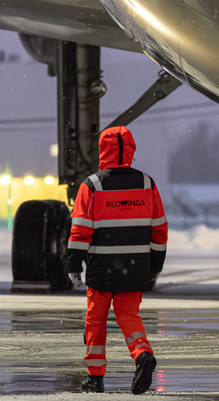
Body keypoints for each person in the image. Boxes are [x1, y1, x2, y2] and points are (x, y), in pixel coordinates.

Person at [66, 126, 168, 393]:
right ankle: (143, 354)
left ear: (102, 151)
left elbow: (80, 230)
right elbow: (159, 229)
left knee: (96, 321)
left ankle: (95, 378)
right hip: (134, 269)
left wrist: (73, 263)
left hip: (101, 269)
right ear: (130, 150)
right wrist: (155, 265)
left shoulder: (92, 185)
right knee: (129, 316)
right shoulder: (147, 183)